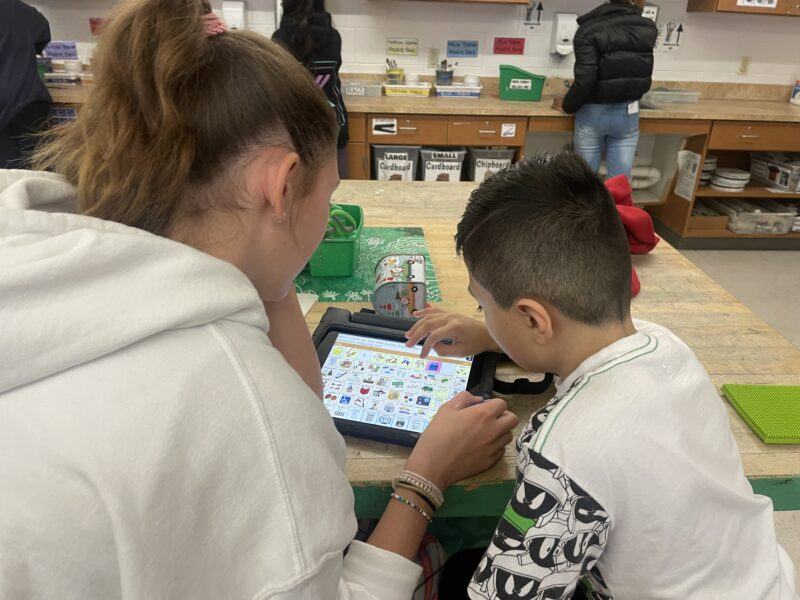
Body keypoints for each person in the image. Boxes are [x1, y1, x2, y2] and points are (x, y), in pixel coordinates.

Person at [0, 1, 519, 597]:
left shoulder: (44, 241)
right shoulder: (242, 409)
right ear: (280, 185)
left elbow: (298, 406)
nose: (325, 218)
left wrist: (269, 259)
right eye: (327, 194)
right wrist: (424, 478)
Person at [405, 153, 798, 600]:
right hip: (765, 582)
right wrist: (494, 335)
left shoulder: (562, 456)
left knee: (457, 577)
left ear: (534, 320)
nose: (483, 317)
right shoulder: (665, 344)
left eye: (483, 306)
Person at [554, 0, 657, 181]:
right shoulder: (648, 28)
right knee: (621, 184)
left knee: (586, 183)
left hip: (593, 114)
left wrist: (567, 105)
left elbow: (585, 80)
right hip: (628, 114)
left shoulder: (589, 30)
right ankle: (619, 210)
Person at [273, 0, 349, 179]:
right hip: (333, 124)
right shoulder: (333, 37)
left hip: (297, 132)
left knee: (301, 197)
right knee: (338, 193)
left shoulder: (280, 39)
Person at [0, 0, 52, 169]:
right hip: (30, 99)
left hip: (9, 101)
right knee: (40, 162)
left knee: (9, 172)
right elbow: (42, 39)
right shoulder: (22, 10)